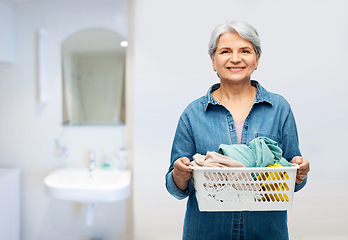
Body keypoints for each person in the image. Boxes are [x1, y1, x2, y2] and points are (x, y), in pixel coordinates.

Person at [165, 21, 310, 240]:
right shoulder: (193, 114)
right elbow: (175, 188)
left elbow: (293, 179)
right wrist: (179, 173)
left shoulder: (279, 109)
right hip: (206, 233)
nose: (235, 58)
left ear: (257, 59)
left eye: (245, 50)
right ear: (213, 60)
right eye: (225, 51)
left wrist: (299, 170)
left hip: (267, 233)